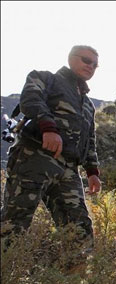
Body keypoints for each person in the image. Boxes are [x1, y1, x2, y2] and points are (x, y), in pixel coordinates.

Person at [1, 45, 101, 249]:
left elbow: (89, 138)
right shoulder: (46, 78)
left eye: (95, 65)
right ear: (71, 58)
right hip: (35, 157)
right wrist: (49, 127)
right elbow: (30, 99)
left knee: (79, 230)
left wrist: (92, 172)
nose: (91, 66)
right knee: (14, 223)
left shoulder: (88, 105)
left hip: (68, 170)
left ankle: (74, 278)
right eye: (86, 60)